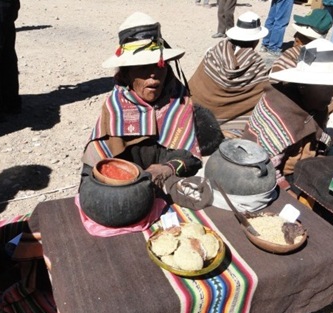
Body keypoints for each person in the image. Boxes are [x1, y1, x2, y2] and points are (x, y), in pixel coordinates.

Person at [82, 12, 205, 190]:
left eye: (159, 65)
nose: (153, 75)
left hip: (170, 185)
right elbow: (93, 170)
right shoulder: (115, 109)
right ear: (126, 74)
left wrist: (168, 168)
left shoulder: (180, 101)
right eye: (143, 68)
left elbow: (191, 158)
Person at [241, 38, 333, 189]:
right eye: (326, 87)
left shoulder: (317, 106)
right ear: (302, 86)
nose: (332, 93)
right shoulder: (279, 109)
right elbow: (260, 169)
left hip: (303, 170)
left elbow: (319, 146)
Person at [188, 12, 270, 123]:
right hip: (231, 121)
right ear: (256, 41)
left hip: (196, 109)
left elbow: (198, 83)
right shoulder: (257, 65)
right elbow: (260, 93)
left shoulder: (214, 52)